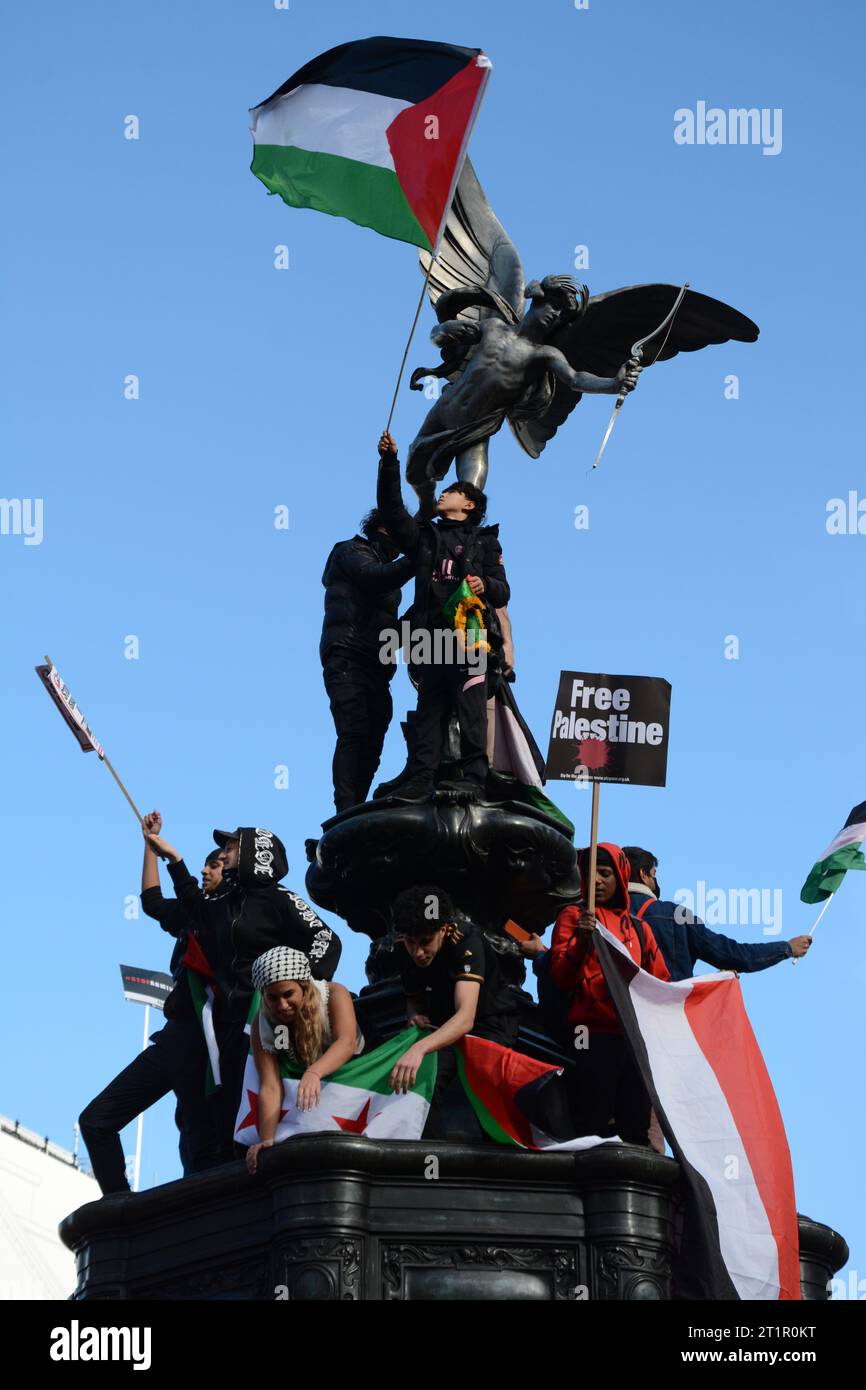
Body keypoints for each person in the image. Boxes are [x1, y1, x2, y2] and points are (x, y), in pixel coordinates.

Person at [141, 820, 342, 1159]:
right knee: (224, 1107)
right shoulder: (223, 905)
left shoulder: (281, 899)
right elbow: (189, 902)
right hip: (224, 1027)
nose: (223, 853)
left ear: (255, 853)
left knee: (256, 1096)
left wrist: (298, 990)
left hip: (263, 1021)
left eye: (231, 848)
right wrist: (173, 859)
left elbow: (327, 941)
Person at [78, 818, 228, 1195]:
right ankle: (119, 1209)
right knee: (96, 1121)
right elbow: (152, 902)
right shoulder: (193, 916)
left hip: (208, 1043)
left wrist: (171, 857)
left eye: (217, 863)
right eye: (206, 863)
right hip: (175, 1038)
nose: (206, 869)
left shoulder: (231, 919)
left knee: (201, 1149)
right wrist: (149, 845)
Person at [375, 430, 510, 799]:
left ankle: (474, 778)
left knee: (472, 710)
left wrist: (484, 584)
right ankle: (421, 779)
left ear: (468, 505)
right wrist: (389, 463)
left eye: (451, 491)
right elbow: (392, 511)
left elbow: (503, 590)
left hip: (470, 638)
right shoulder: (425, 538)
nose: (443, 494)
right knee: (429, 710)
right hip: (431, 640)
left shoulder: (485, 542)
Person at [549, 843, 669, 1146]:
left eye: (605, 873)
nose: (598, 880)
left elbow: (660, 984)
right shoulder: (572, 918)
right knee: (592, 1125)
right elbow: (561, 977)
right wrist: (581, 942)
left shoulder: (640, 929)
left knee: (635, 1127)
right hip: (589, 1036)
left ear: (620, 877)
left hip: (633, 1041)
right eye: (591, 874)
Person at [389, 886, 519, 1136]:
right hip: (442, 1024)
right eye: (411, 942)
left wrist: (418, 1049)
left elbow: (465, 1018)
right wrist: (413, 1015)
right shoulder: (404, 947)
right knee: (425, 1077)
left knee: (485, 1087)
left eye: (425, 942)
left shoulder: (467, 940)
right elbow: (413, 999)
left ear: (444, 929)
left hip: (490, 1023)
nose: (418, 952)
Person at [320, 508, 415, 812]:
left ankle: (354, 807)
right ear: (384, 529)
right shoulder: (350, 552)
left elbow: (392, 630)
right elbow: (376, 578)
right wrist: (424, 555)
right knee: (355, 730)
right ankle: (345, 810)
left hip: (377, 665)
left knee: (373, 738)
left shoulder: (389, 571)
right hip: (348, 657)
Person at [244, 946, 364, 1174]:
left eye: (288, 994)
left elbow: (346, 1042)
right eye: (272, 997)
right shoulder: (263, 1023)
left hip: (355, 1075)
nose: (282, 1005)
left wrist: (314, 1073)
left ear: (304, 985)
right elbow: (270, 1085)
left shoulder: (335, 995)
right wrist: (267, 1139)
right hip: (308, 1091)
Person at [622, 846, 812, 981]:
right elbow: (734, 954)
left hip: (609, 1025)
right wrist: (786, 948)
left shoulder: (598, 916)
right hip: (661, 1024)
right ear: (643, 874)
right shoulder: (675, 915)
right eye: (654, 874)